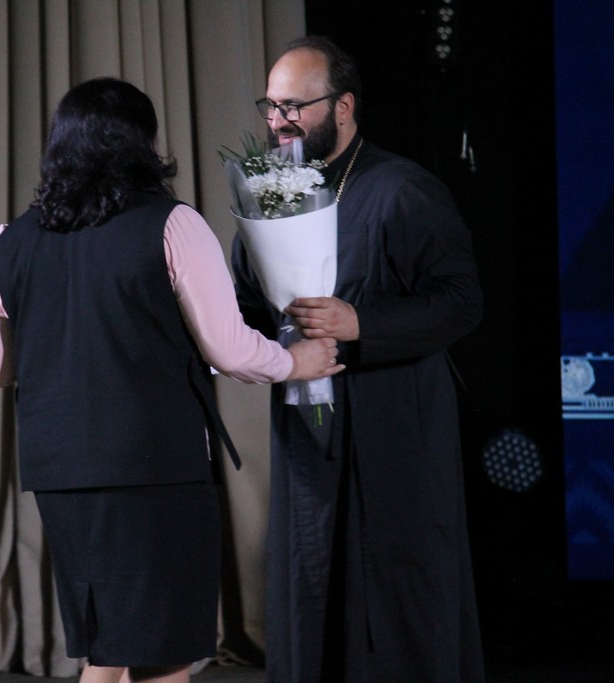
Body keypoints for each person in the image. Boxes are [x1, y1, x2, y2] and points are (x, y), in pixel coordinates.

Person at [0, 77, 342, 683]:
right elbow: (228, 348)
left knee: (110, 648)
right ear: (142, 142)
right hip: (152, 468)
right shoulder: (172, 224)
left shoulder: (7, 241)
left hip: (59, 474)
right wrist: (298, 361)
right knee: (161, 654)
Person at [231, 37, 485, 681]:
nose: (279, 120)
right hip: (307, 436)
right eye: (271, 106)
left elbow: (461, 302)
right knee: (311, 586)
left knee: (394, 602)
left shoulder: (403, 189)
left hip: (393, 431)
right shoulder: (272, 195)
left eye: (295, 106)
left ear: (343, 107)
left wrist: (360, 323)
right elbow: (247, 304)